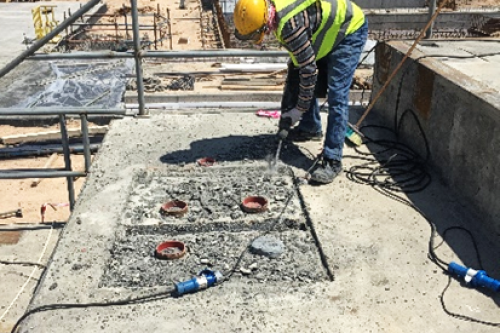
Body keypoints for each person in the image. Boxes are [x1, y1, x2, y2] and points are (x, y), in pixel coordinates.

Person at [233, 0, 367, 184]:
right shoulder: (274, 12)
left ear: (264, 24)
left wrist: (298, 109)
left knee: (337, 94)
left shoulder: (291, 27)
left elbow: (309, 72)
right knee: (297, 73)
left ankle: (333, 159)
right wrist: (291, 105)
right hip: (325, 31)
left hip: (349, 30)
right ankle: (310, 128)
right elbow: (300, 66)